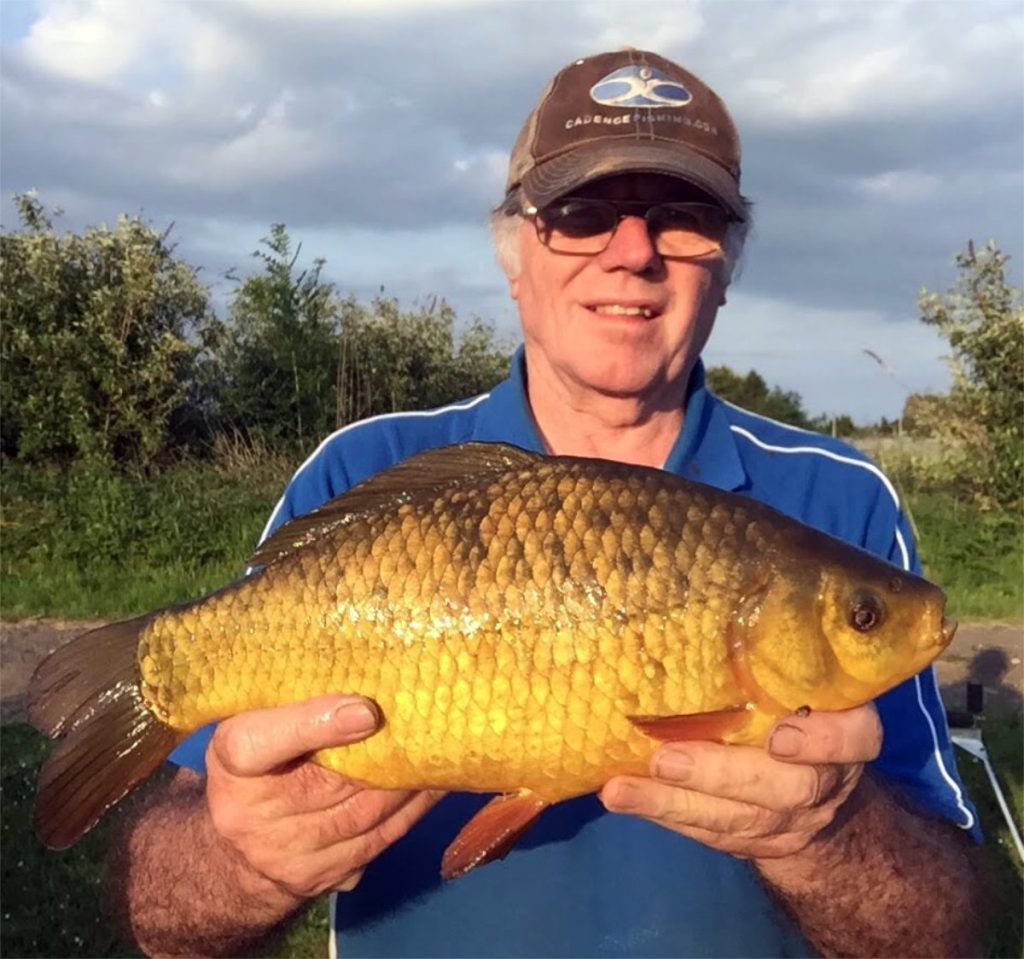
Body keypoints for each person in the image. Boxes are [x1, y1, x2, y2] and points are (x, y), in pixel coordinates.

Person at [109, 49, 982, 957]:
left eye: (682, 216)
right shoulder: (359, 472)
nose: (634, 251)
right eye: (581, 214)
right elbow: (165, 921)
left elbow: (941, 932)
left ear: (724, 264)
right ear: (516, 251)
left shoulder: (837, 500)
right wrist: (243, 858)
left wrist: (830, 837)